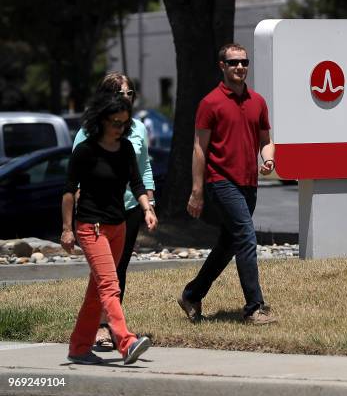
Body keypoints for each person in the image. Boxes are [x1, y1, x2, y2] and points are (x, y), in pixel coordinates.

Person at [178, 43, 277, 325]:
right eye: (233, 63)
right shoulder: (210, 103)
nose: (240, 67)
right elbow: (199, 148)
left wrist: (268, 160)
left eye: (244, 62)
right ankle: (254, 308)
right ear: (222, 66)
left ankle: (192, 294)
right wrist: (197, 191)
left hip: (250, 184)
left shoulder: (257, 102)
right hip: (221, 182)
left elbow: (267, 141)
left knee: (228, 244)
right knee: (246, 237)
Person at [61, 93, 156, 365]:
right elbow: (68, 192)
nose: (119, 128)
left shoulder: (126, 149)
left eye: (125, 124)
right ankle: (126, 342)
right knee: (109, 286)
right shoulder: (86, 151)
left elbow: (137, 184)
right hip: (92, 227)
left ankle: (79, 348)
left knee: (96, 291)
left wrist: (147, 208)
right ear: (102, 120)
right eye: (115, 122)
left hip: (118, 227)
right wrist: (67, 229)